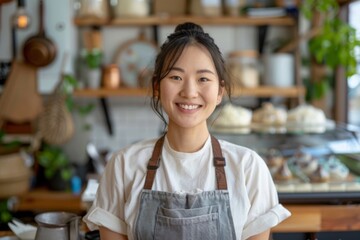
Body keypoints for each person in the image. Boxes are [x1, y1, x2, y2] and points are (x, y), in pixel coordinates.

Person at [83, 22, 291, 240]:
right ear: (156, 87)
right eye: (176, 77)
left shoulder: (248, 168)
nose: (190, 92)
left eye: (203, 79)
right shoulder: (123, 166)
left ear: (220, 91)